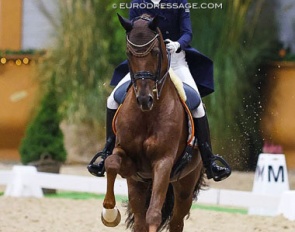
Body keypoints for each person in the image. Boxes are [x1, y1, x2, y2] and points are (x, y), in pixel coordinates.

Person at [88, 0, 231, 181]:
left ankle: (209, 160)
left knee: (198, 106)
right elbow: (133, 32)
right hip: (145, 64)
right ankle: (107, 151)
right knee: (112, 99)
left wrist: (178, 44)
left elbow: (187, 33)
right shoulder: (138, 3)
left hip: (175, 61)